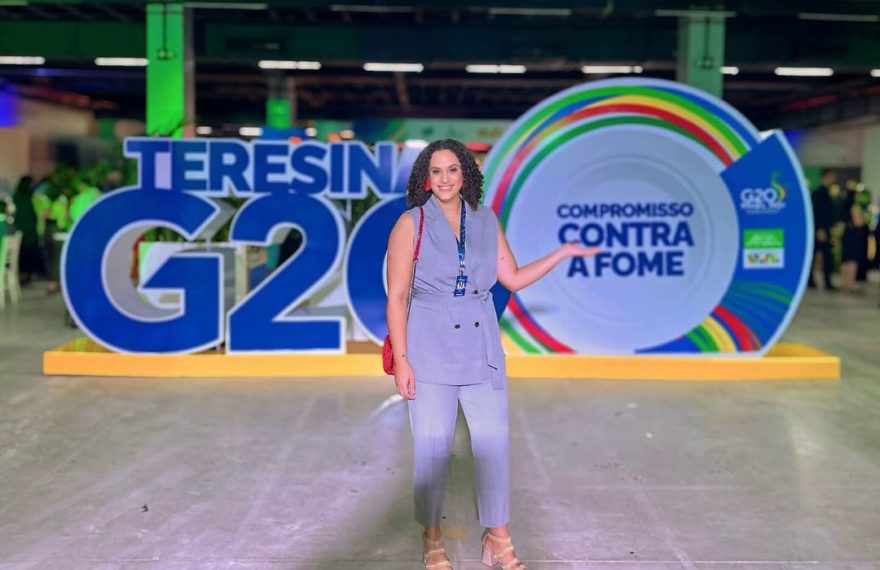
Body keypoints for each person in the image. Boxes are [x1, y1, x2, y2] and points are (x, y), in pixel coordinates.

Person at [385, 139, 598, 570]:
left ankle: (498, 541)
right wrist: (403, 360)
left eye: (452, 169)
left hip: (481, 348)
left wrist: (562, 253)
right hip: (429, 347)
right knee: (432, 451)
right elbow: (397, 296)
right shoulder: (411, 223)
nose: (445, 179)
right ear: (426, 177)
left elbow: (512, 278)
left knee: (493, 447)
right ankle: (432, 541)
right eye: (436, 171)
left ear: (466, 173)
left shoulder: (485, 219)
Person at [808, 168, 837, 291]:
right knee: (822, 256)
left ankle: (822, 281)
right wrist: (820, 229)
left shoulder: (825, 193)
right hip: (820, 230)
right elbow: (818, 213)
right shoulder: (819, 194)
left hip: (823, 229)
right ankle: (814, 281)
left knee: (824, 256)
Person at [840, 184, 869, 293]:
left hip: (847, 235)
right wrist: (864, 219)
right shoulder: (856, 207)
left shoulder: (845, 206)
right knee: (852, 260)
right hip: (855, 236)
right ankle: (850, 283)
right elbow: (858, 223)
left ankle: (844, 283)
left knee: (845, 259)